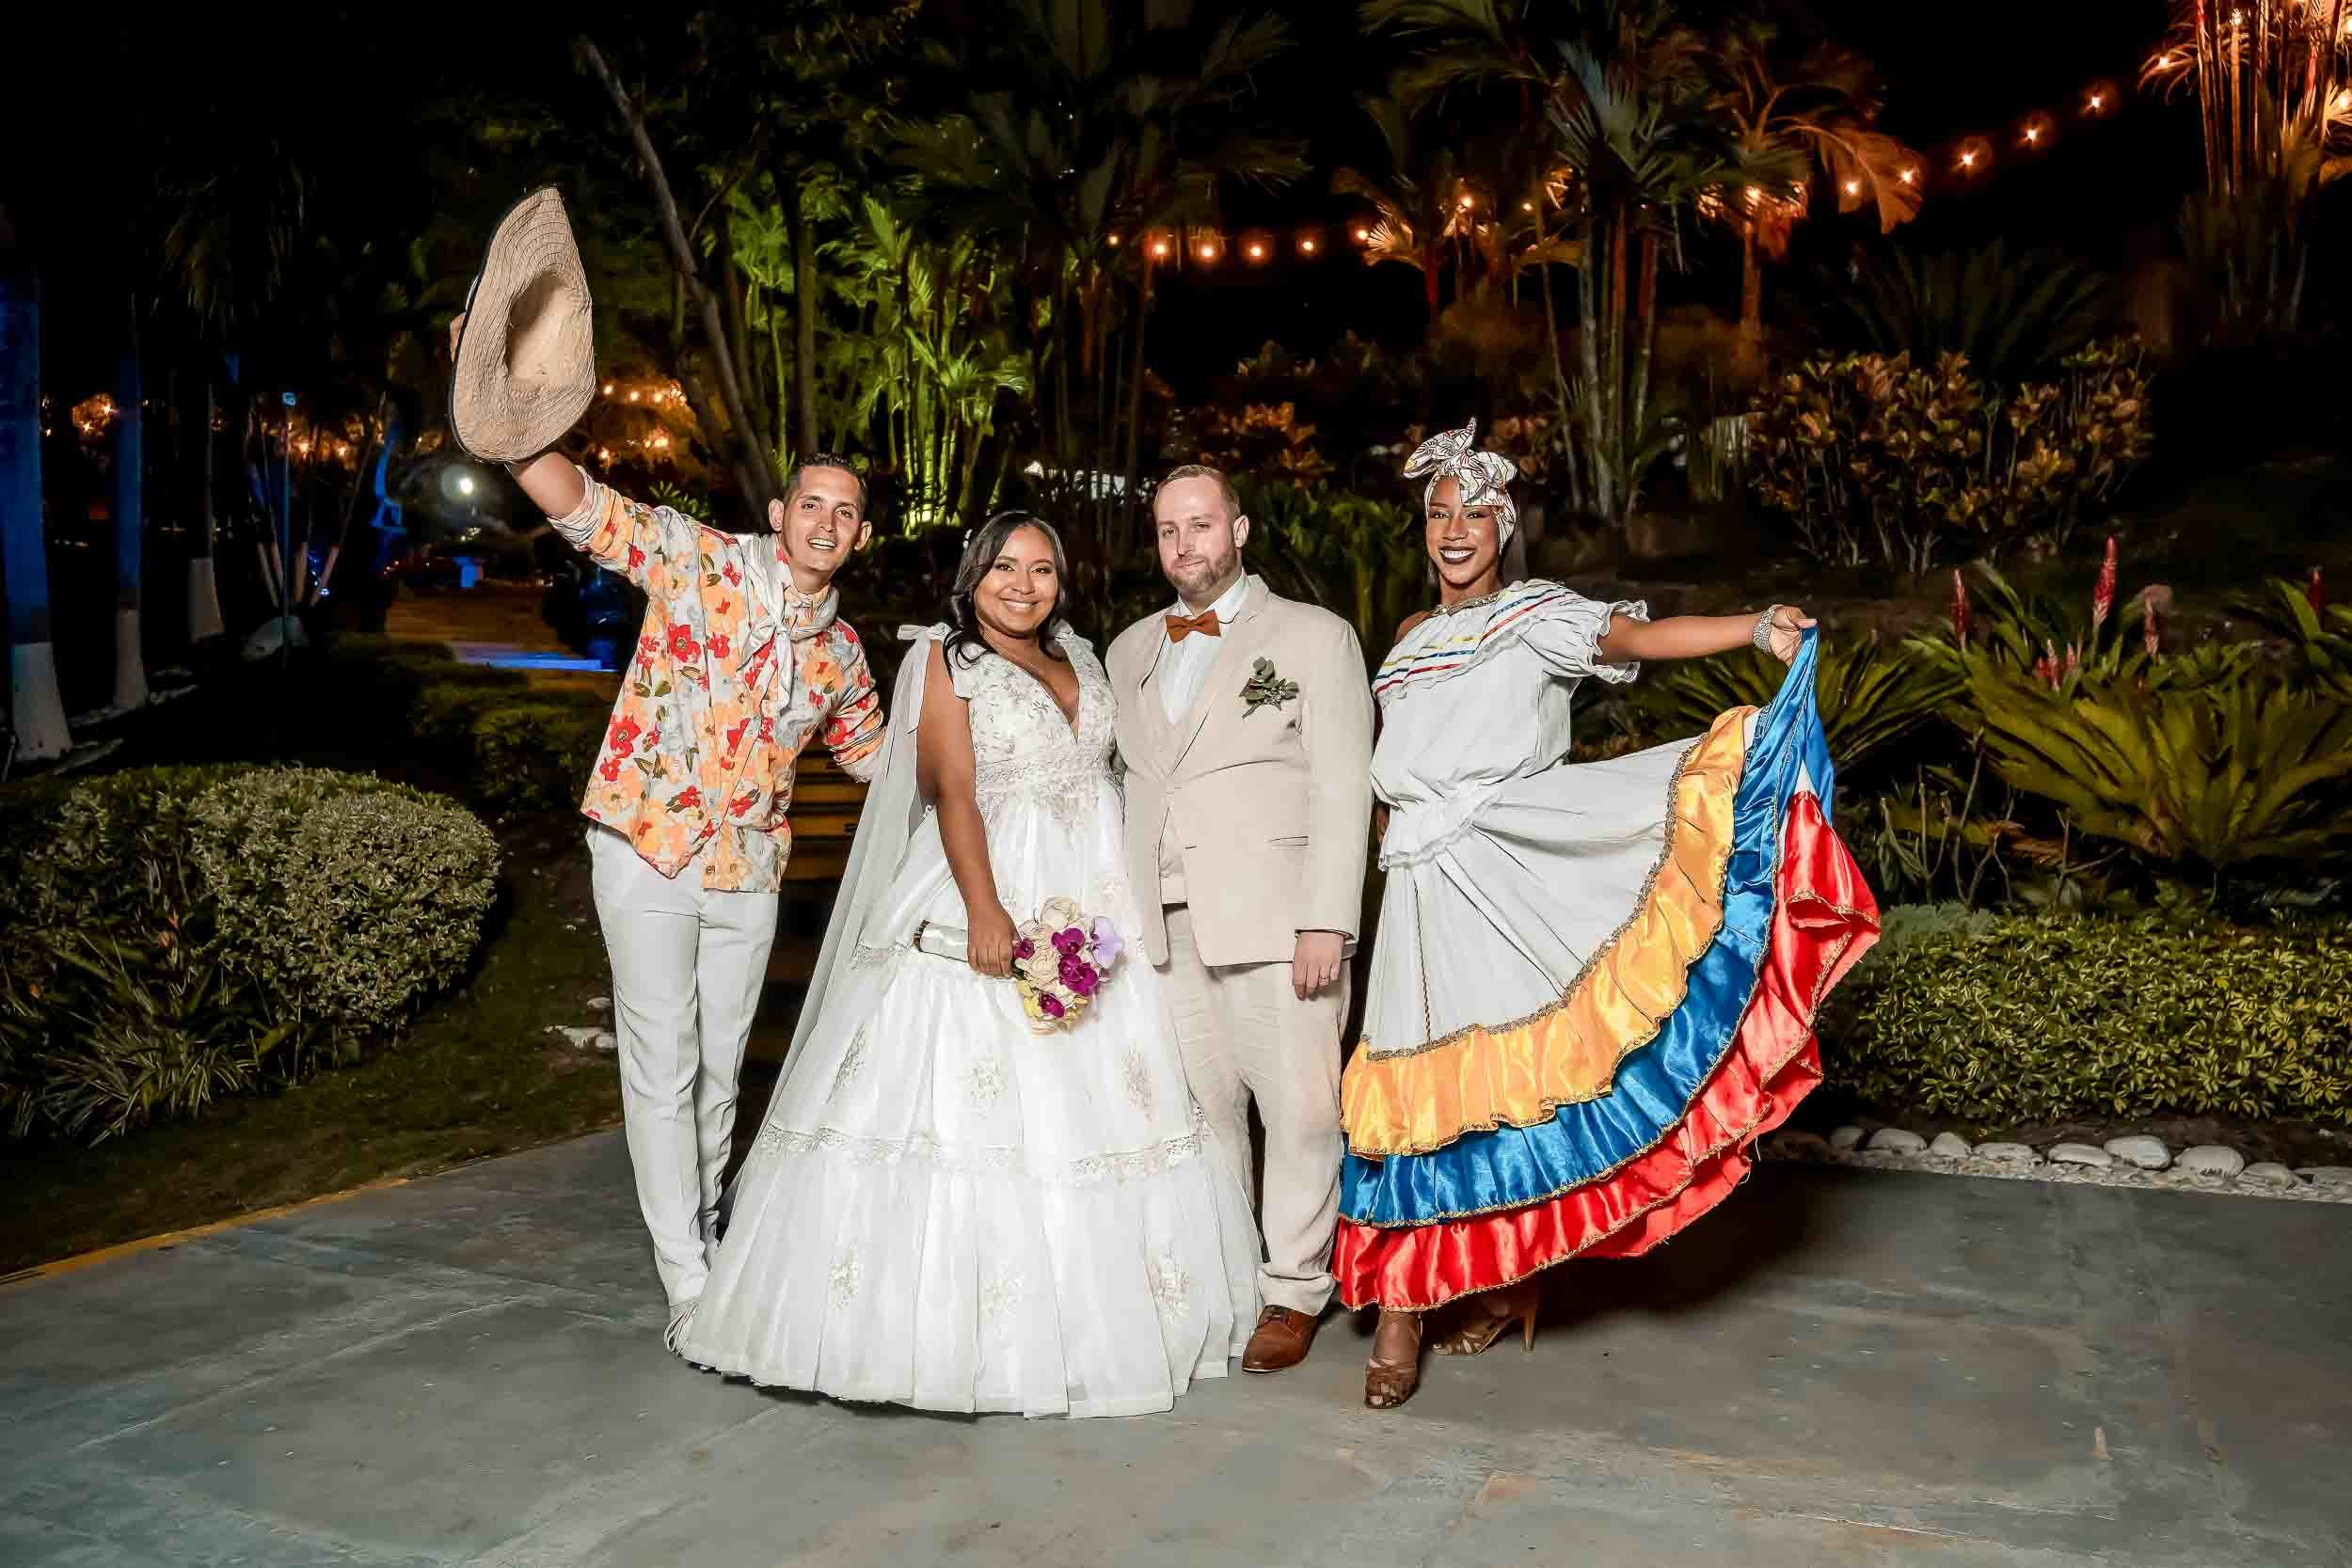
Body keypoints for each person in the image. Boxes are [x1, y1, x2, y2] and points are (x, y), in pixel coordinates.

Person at [1337, 421, 1881, 1409]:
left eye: (1475, 512)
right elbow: (1391, 770)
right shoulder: (1407, 640)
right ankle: (1439, 1295)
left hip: (1508, 870)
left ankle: (1435, 1303)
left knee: (1514, 1084)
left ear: (1505, 528)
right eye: (1437, 512)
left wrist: (1750, 625)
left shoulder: (1534, 613)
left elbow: (1634, 637)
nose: (1454, 528)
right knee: (1413, 1086)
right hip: (1419, 883)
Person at [684, 515, 1258, 1418]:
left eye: (1040, 568)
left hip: (1096, 887)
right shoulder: (947, 663)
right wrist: (987, 909)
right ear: (971, 576)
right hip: (991, 873)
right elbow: (952, 790)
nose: (1021, 584)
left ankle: (1113, 1318)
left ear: (1061, 580)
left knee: (1119, 1091)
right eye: (1002, 568)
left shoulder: (1087, 656)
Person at [469, 292, 887, 1351]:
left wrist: (993, 735)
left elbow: (879, 756)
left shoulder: (844, 657)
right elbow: (589, 511)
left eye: (845, 513)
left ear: (860, 535)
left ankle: (700, 1227)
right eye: (812, 504)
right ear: (781, 509)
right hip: (646, 844)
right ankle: (686, 1274)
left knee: (719, 1060)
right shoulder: (701, 560)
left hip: (747, 869)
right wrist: (517, 442)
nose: (825, 523)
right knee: (659, 1059)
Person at [1105, 466, 1375, 1374]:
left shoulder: (1313, 636)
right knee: (1202, 1111)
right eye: (1169, 530)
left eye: (1202, 524)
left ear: (1241, 529)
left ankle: (1294, 1289)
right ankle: (1226, 1272)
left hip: (1277, 915)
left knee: (1300, 1110)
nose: (1186, 544)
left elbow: (1344, 783)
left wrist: (1327, 919)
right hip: (1165, 919)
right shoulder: (1128, 648)